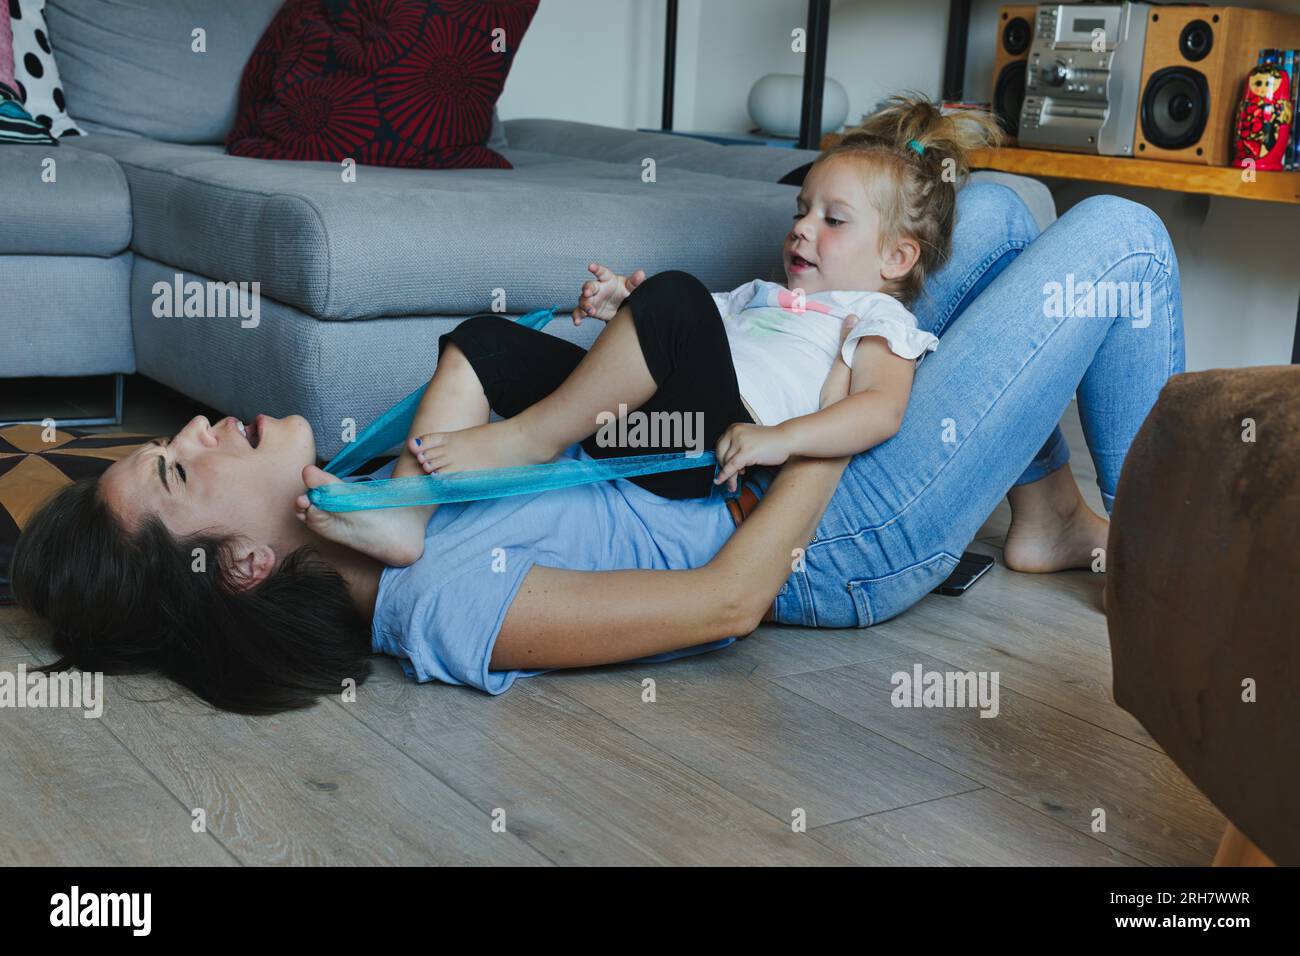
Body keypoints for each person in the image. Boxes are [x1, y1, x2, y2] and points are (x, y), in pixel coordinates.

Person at [10, 175, 1184, 716]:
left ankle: (1046, 515)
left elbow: (566, 396)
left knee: (986, 207)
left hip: (750, 443)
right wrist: (831, 417)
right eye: (178, 467)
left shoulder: (374, 479)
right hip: (813, 534)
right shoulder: (439, 605)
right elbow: (727, 603)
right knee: (1120, 235)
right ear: (246, 565)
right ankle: (1176, 573)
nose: (200, 428)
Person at [300, 96, 1003, 568]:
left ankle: (527, 439)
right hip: (640, 428)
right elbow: (673, 339)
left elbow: (881, 409)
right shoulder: (762, 295)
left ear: (897, 257)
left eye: (833, 218)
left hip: (705, 450)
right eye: (802, 208)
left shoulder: (877, 318)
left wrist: (778, 439)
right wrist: (622, 306)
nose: (801, 227)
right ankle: (405, 514)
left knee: (677, 295)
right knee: (483, 337)